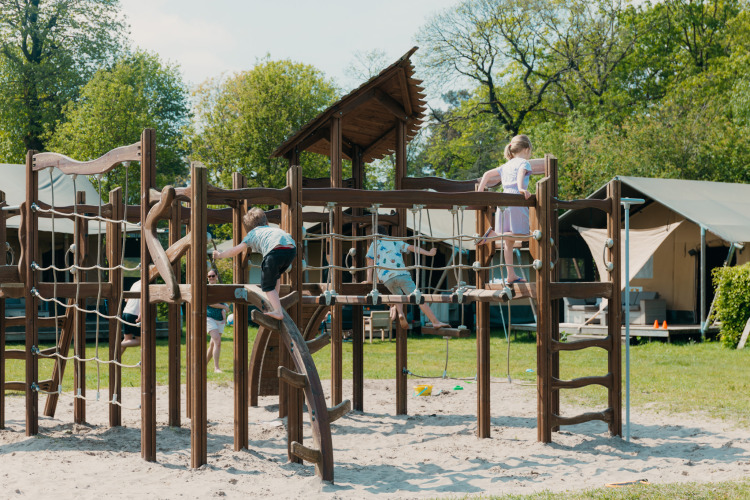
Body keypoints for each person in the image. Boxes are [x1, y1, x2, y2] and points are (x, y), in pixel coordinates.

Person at [476, 134, 547, 283]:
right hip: (516, 201)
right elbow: (521, 173)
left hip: (503, 202)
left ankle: (511, 274)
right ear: (527, 149)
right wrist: (521, 188)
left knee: (508, 241)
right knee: (523, 235)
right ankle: (493, 235)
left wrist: (480, 192)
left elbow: (487, 174)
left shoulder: (506, 165)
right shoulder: (524, 162)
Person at [213, 207, 296, 320]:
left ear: (250, 227)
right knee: (275, 276)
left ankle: (277, 311)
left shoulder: (252, 234)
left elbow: (235, 251)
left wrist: (219, 255)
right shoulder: (273, 229)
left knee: (266, 286)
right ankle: (274, 303)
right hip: (291, 249)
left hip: (275, 251)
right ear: (266, 222)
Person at [365, 225, 449, 330]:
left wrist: (369, 280)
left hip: (387, 279)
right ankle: (435, 322)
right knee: (418, 297)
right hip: (402, 275)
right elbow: (411, 248)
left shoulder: (374, 244)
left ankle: (400, 313)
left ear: (374, 236)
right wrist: (429, 253)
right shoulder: (394, 240)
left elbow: (370, 261)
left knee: (397, 295)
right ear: (386, 233)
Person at [206, 269, 230, 373]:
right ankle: (216, 368)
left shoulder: (220, 288)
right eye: (209, 276)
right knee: (217, 341)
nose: (210, 278)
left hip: (220, 320)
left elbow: (226, 300)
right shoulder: (207, 288)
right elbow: (210, 302)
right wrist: (223, 307)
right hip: (209, 318)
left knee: (213, 344)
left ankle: (203, 365)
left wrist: (225, 308)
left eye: (212, 276)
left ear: (216, 276)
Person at [121, 279, 141, 355]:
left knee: (127, 340)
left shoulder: (135, 283)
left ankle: (114, 359)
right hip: (134, 314)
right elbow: (142, 299)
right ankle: (117, 345)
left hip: (126, 312)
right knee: (141, 341)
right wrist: (141, 313)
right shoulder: (146, 284)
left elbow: (126, 299)